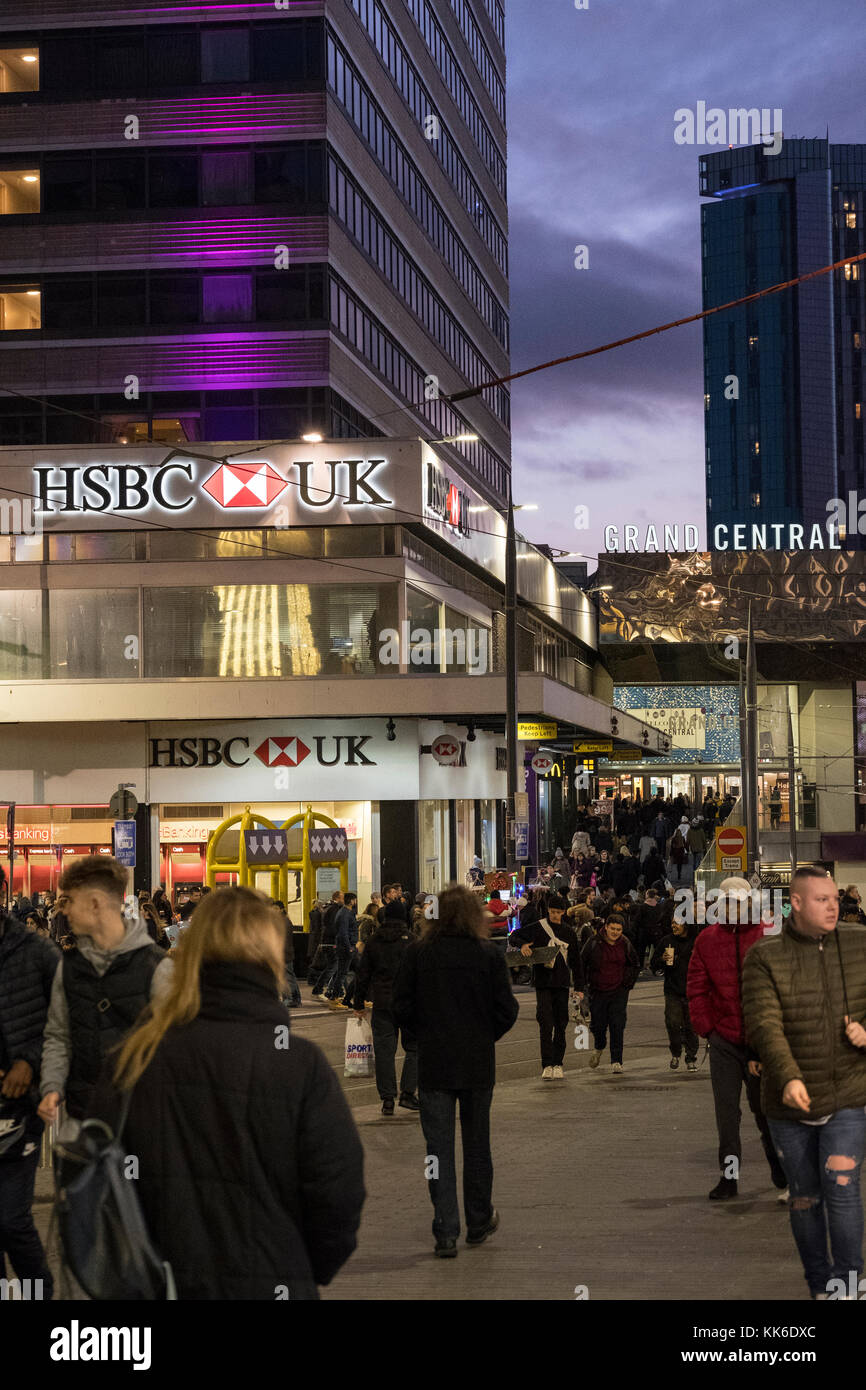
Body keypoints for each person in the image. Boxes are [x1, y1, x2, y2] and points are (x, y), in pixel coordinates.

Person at [85, 886, 365, 1299]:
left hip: (160, 1283)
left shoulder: (134, 1057)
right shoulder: (298, 1063)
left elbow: (95, 1182)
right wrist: (302, 1265)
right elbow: (338, 1191)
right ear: (270, 956)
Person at [742, 865, 866, 1300]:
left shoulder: (858, 944)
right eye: (821, 900)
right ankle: (821, 1286)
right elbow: (764, 1024)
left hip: (848, 1094)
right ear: (795, 903)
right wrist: (788, 1074)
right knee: (805, 1198)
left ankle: (850, 1286)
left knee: (843, 1191)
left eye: (834, 898)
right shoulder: (764, 957)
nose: (833, 906)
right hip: (786, 1104)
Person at [393, 885, 519, 1258]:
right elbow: (507, 1010)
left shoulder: (418, 953)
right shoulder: (487, 954)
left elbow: (400, 1006)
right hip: (477, 1065)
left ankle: (445, 1229)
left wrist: (423, 1036)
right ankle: (478, 1221)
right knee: (478, 1146)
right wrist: (485, 1036)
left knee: (437, 1152)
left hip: (434, 1066)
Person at [36, 855, 174, 1126]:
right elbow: (58, 1036)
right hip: (81, 1121)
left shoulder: (158, 969)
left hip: (142, 1123)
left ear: (95, 903)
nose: (63, 912)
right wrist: (51, 1087)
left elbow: (176, 1053)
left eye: (69, 901)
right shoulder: (70, 968)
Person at [687, 876, 787, 1201]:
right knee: (726, 1114)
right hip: (724, 1041)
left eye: (738, 903)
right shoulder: (706, 940)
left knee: (766, 1112)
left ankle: (780, 1169)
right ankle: (729, 1177)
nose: (732, 908)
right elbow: (697, 987)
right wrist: (707, 1028)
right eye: (727, 902)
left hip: (762, 1040)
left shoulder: (768, 935)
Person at [0, 892, 60, 1300]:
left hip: (20, 1106)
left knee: (10, 1219)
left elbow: (64, 1021)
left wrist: (28, 1062)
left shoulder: (35, 951)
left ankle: (39, 1293)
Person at [509, 893, 584, 1080]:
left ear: (564, 912)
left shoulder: (569, 933)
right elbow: (514, 936)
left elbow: (576, 962)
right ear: (548, 911)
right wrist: (524, 945)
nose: (555, 916)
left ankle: (558, 1063)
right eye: (552, 912)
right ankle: (547, 1064)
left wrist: (580, 987)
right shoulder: (538, 928)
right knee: (545, 1023)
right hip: (542, 983)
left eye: (558, 912)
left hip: (562, 983)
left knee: (561, 1023)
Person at [353, 908, 418, 1115]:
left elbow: (363, 974)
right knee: (415, 1048)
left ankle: (387, 1099)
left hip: (382, 1003)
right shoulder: (413, 941)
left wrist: (358, 1003)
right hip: (409, 1003)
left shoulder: (373, 941)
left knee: (384, 1052)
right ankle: (408, 1093)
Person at [581, 914, 640, 1073]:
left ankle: (617, 1060)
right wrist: (581, 988)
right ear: (605, 927)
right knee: (598, 1025)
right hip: (597, 991)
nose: (615, 932)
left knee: (617, 1025)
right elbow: (582, 963)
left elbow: (635, 964)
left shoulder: (625, 943)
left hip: (619, 991)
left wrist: (628, 983)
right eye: (612, 928)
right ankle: (599, 1047)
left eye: (619, 929)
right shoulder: (593, 942)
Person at [651, 918, 699, 1070]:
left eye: (677, 923)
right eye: (672, 922)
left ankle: (691, 1057)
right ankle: (676, 1052)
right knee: (672, 1023)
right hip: (673, 990)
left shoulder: (695, 941)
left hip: (692, 991)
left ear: (686, 924)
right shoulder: (666, 941)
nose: (673, 925)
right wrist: (661, 960)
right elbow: (653, 964)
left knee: (691, 1027)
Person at [324, 892, 358, 1007]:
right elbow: (343, 933)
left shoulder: (345, 912)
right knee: (342, 974)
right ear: (352, 901)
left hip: (347, 947)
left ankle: (350, 997)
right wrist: (349, 948)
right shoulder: (345, 913)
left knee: (344, 973)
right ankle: (335, 997)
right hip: (346, 948)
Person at [270, 899, 302, 1008]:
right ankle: (295, 998)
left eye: (276, 909)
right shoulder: (282, 920)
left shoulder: (283, 922)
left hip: (283, 954)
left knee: (286, 978)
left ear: (281, 909)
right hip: (284, 953)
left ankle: (290, 998)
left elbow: (282, 939)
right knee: (289, 976)